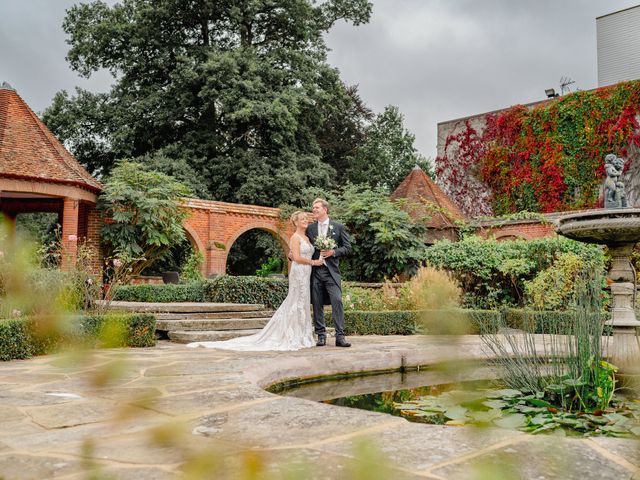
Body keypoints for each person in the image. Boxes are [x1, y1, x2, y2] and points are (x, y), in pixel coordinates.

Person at [186, 211, 323, 351]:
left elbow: (294, 255)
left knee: (303, 301)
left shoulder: (307, 237)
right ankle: (291, 335)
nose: (305, 220)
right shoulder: (295, 237)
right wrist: (314, 262)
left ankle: (302, 334)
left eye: (306, 218)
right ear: (295, 222)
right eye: (302, 219)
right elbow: (298, 258)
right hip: (299, 272)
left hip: (307, 274)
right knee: (295, 301)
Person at [306, 198, 352, 347]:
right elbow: (303, 245)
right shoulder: (310, 228)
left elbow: (347, 247)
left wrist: (333, 251)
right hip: (315, 272)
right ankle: (321, 335)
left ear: (325, 209)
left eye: (316, 207)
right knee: (317, 303)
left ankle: (340, 337)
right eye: (313, 208)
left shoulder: (338, 227)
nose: (314, 210)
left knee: (337, 301)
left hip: (331, 272)